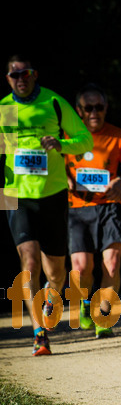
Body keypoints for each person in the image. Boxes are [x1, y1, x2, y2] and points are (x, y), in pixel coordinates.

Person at [0, 55, 93, 356]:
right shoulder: (6, 109)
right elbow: (3, 151)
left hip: (52, 192)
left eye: (25, 73)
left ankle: (52, 297)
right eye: (14, 75)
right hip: (15, 194)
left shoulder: (53, 102)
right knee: (29, 264)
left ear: (34, 74)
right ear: (8, 78)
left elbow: (85, 140)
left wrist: (61, 145)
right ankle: (39, 332)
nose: (20, 79)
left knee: (56, 273)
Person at [65, 83, 121, 338]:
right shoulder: (68, 138)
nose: (95, 112)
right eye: (89, 108)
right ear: (79, 110)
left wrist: (120, 181)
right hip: (77, 208)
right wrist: (65, 181)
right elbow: (55, 169)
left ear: (106, 108)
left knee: (112, 263)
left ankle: (104, 317)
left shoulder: (118, 135)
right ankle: (85, 303)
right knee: (82, 268)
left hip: (109, 207)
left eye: (99, 107)